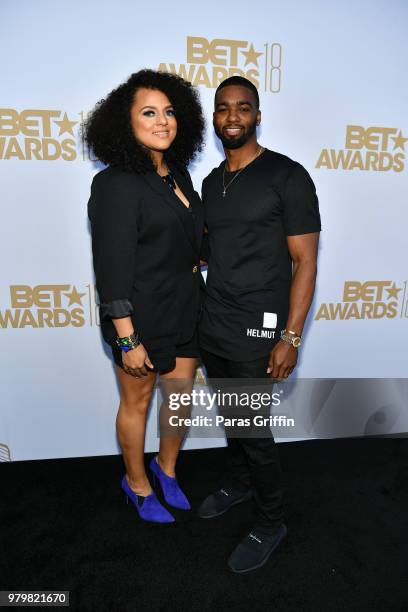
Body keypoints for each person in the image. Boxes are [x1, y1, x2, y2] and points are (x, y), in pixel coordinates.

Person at [198, 76, 321, 572]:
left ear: (257, 115)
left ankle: (271, 522)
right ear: (214, 118)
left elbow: (306, 262)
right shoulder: (211, 182)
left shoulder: (287, 176)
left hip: (260, 329)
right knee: (234, 419)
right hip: (214, 323)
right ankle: (239, 482)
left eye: (242, 108)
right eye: (223, 109)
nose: (232, 117)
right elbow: (210, 250)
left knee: (253, 429)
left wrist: (290, 337)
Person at [86, 69, 205, 523]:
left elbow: (189, 243)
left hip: (187, 307)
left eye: (170, 112)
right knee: (137, 402)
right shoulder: (116, 183)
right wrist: (126, 337)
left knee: (179, 397)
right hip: (139, 316)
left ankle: (166, 468)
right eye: (149, 112)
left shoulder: (178, 175)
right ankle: (136, 483)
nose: (163, 122)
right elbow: (111, 267)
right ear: (125, 123)